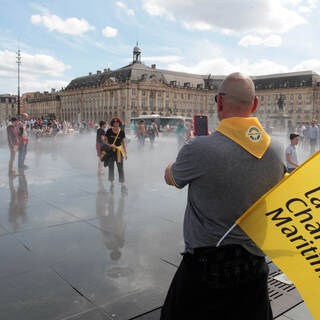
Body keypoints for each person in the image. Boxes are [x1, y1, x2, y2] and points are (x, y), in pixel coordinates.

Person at [162, 73, 286, 320]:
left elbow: (171, 178)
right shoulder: (276, 149)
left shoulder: (199, 148)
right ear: (255, 104)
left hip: (206, 271)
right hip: (255, 266)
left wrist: (187, 151)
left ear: (218, 103)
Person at [105, 118, 128, 192]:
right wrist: (109, 145)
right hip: (110, 151)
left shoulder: (121, 132)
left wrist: (125, 152)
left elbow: (124, 143)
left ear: (119, 123)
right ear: (112, 123)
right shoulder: (109, 131)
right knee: (111, 167)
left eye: (117, 122)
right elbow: (105, 141)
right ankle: (112, 181)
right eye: (114, 122)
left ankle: (122, 183)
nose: (116, 123)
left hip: (118, 151)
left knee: (120, 167)